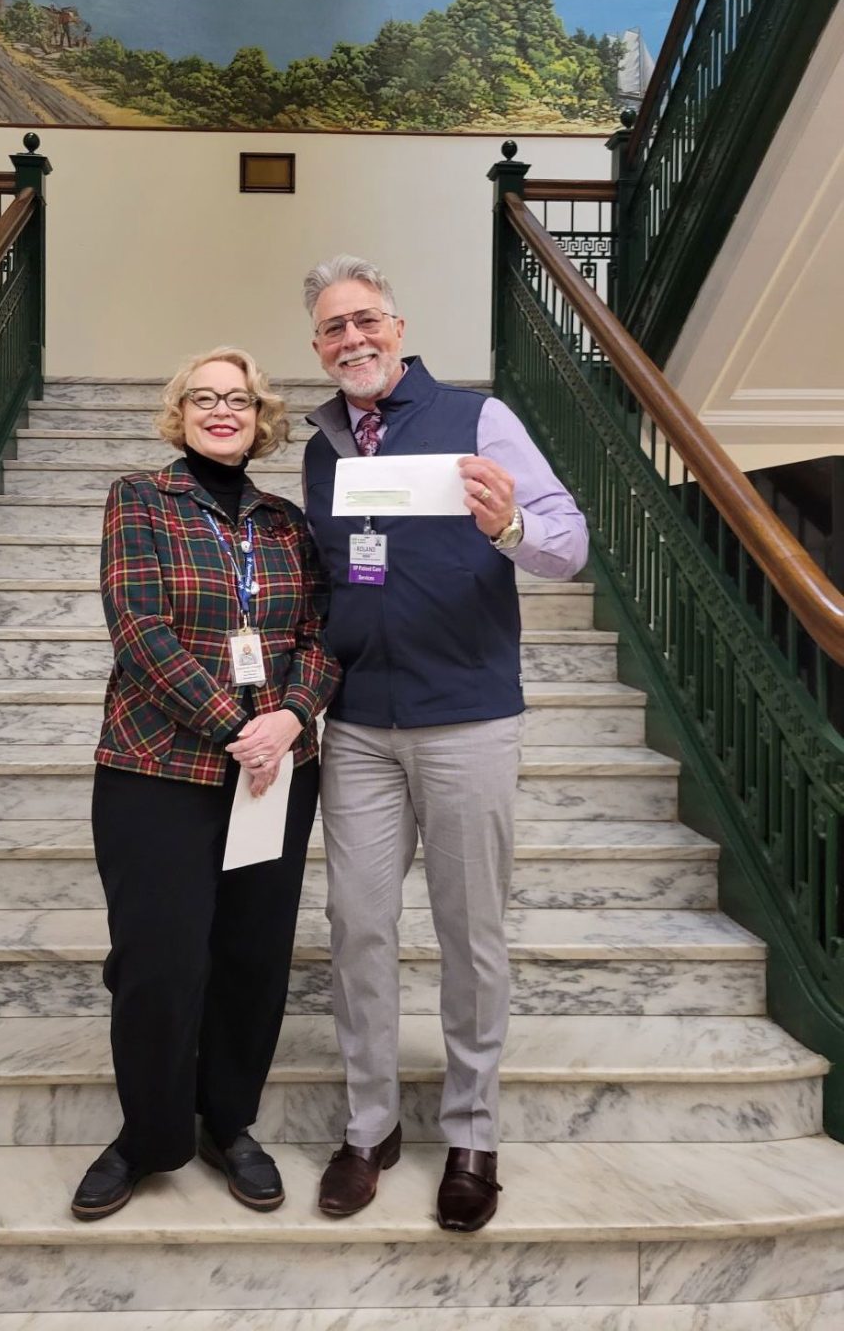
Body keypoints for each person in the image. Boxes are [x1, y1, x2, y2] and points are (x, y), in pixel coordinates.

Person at [300, 255, 588, 1233]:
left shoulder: (479, 417)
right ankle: (370, 1127)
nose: (352, 339)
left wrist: (509, 526)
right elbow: (340, 578)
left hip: (467, 717)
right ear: (318, 347)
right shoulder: (323, 449)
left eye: (365, 320)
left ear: (398, 326)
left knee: (470, 934)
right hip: (360, 728)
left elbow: (568, 542)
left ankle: (471, 1135)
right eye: (333, 327)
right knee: (358, 928)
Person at [71, 347, 340, 1222]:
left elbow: (322, 635)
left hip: (274, 774)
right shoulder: (140, 499)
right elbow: (139, 628)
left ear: (260, 418)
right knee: (158, 961)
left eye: (239, 399)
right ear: (180, 412)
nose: (221, 410)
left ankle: (231, 1121)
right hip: (157, 768)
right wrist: (234, 726)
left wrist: (290, 717)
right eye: (203, 397)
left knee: (252, 958)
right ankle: (148, 1135)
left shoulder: (287, 523)